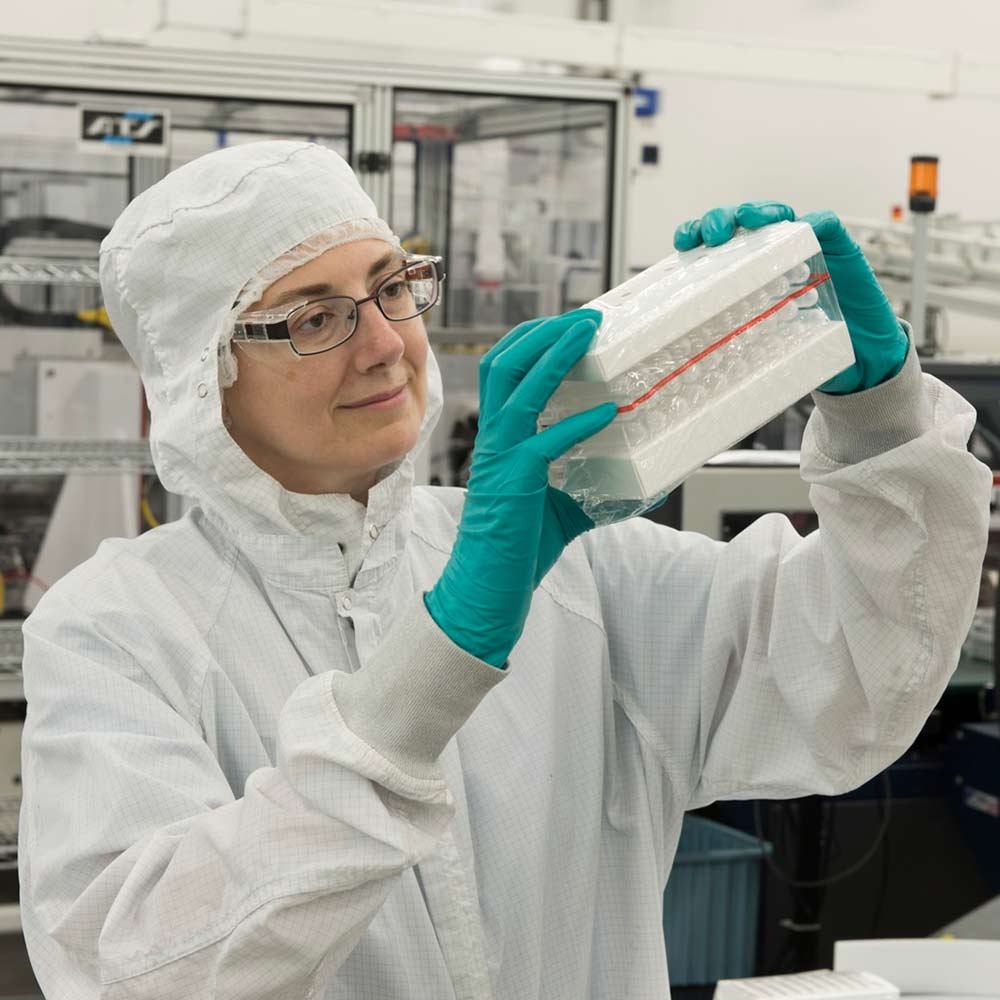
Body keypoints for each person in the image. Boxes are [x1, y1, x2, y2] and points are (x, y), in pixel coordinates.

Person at [17, 141, 989, 999]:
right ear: (200, 377)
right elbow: (142, 972)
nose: (384, 345)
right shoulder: (120, 629)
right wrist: (439, 659)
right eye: (315, 318)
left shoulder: (582, 566)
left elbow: (856, 677)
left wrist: (876, 413)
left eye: (391, 286)